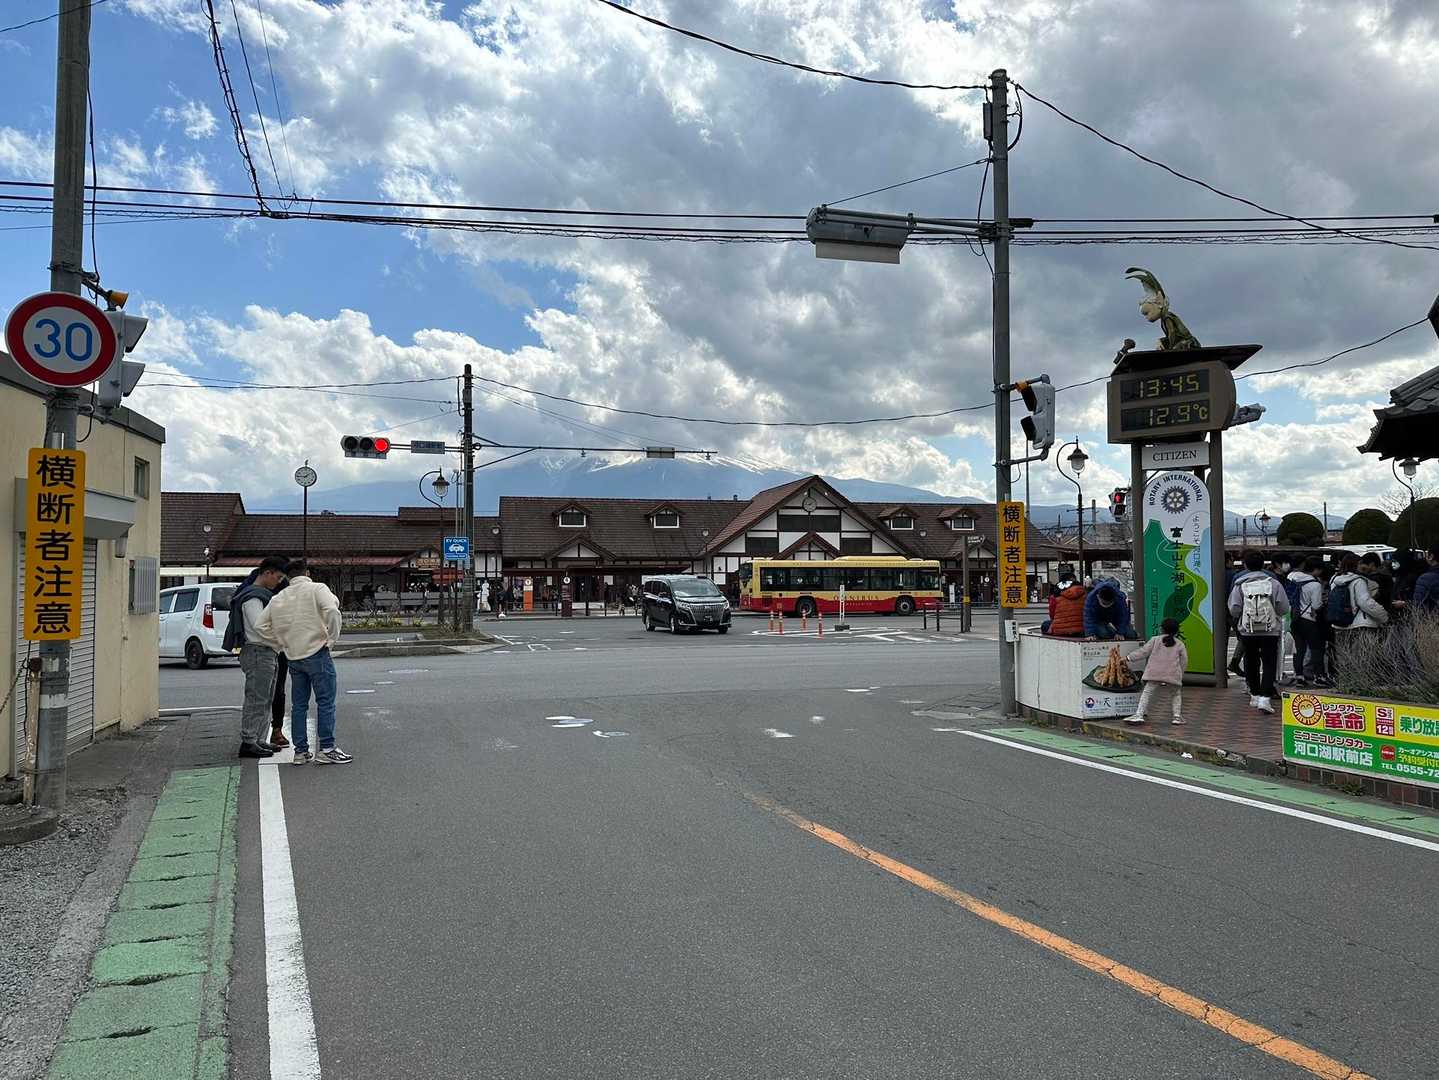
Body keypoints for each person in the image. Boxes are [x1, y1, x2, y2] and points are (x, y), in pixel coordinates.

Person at [256, 559, 351, 765]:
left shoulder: (279, 597)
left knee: (299, 705)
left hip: (293, 656)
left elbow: (260, 625)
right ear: (307, 573)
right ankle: (327, 748)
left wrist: (280, 643)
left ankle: (300, 751)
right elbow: (332, 610)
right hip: (317, 652)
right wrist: (331, 640)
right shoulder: (317, 588)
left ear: (288, 576)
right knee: (325, 702)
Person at [224, 556, 289, 758]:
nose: (279, 582)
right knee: (257, 698)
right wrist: (281, 640)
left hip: (266, 651)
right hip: (258, 650)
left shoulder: (259, 595)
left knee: (265, 697)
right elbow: (259, 626)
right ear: (267, 573)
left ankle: (258, 738)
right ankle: (249, 741)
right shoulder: (253, 597)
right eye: (278, 577)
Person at [1227, 549, 1290, 715]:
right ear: (1263, 565)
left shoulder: (1240, 584)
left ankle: (1254, 694)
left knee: (1250, 660)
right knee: (1269, 662)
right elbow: (1284, 608)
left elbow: (1234, 609)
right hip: (1270, 630)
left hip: (1248, 631)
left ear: (1245, 565)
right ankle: (1265, 698)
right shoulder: (1274, 583)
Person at [1328, 553, 1389, 673]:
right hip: (1359, 624)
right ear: (1355, 565)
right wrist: (1384, 616)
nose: (1363, 566)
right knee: (1363, 659)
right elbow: (1365, 603)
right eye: (1360, 563)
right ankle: (1361, 681)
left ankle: (1347, 680)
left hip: (1339, 624)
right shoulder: (1358, 581)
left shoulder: (1334, 580)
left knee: (1345, 658)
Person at [1121, 617, 1188, 726]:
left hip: (1154, 673)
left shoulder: (1155, 640)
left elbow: (1143, 652)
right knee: (1176, 694)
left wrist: (1128, 658)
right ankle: (1177, 717)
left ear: (1162, 629)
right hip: (1172, 674)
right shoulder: (1180, 644)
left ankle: (1139, 715)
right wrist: (1180, 674)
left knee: (1147, 693)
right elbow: (1184, 661)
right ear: (1177, 631)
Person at [1287, 558, 1327, 688]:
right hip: (1309, 619)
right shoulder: (1315, 584)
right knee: (1316, 648)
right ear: (1316, 569)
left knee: (1298, 649)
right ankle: (1318, 677)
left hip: (1294, 618)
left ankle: (1299, 676)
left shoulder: (1292, 577)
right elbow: (1316, 605)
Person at [1415, 545, 1439, 612]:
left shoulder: (1425, 578)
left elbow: (1418, 604)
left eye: (1426, 553)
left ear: (1431, 556)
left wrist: (1405, 604)